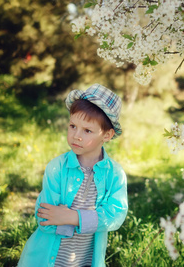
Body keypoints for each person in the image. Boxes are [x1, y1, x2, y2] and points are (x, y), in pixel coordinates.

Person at [18, 84, 128, 267]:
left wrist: (72, 217)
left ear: (107, 135)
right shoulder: (57, 168)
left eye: (87, 131)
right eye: (72, 126)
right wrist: (92, 219)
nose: (76, 135)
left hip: (86, 260)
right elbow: (45, 218)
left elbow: (115, 215)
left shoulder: (115, 175)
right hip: (48, 259)